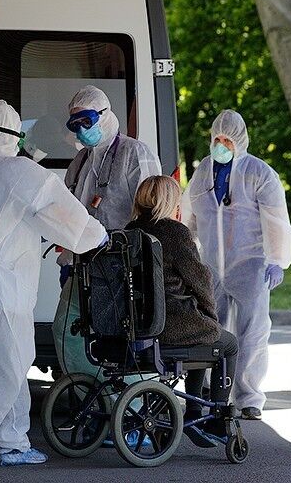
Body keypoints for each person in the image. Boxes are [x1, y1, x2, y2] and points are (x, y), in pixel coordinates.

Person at [0, 100, 107, 470]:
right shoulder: (22, 172)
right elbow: (67, 218)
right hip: (1, 284)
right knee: (11, 367)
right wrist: (99, 237)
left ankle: (11, 441)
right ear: (16, 136)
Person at [181, 110, 291, 420]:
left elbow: (276, 219)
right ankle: (209, 390)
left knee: (252, 331)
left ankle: (249, 398)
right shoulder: (203, 172)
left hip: (250, 265)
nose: (221, 145)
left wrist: (277, 260)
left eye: (227, 140)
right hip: (211, 265)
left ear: (240, 141)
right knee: (210, 329)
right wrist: (185, 249)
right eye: (216, 139)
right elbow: (190, 214)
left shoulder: (259, 173)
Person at [53, 85, 161, 377]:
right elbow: (69, 210)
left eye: (86, 121)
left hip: (122, 263)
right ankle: (92, 394)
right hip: (82, 264)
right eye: (74, 124)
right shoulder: (80, 162)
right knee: (67, 330)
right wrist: (66, 257)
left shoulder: (134, 153)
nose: (81, 130)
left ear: (105, 115)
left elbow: (153, 210)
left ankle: (128, 399)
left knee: (122, 339)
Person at [126, 175, 239, 445]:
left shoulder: (130, 231)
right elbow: (200, 280)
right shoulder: (174, 232)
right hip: (174, 325)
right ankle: (215, 418)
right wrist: (210, 314)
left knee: (205, 337)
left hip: (139, 326)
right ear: (169, 201)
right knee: (227, 343)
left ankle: (195, 411)